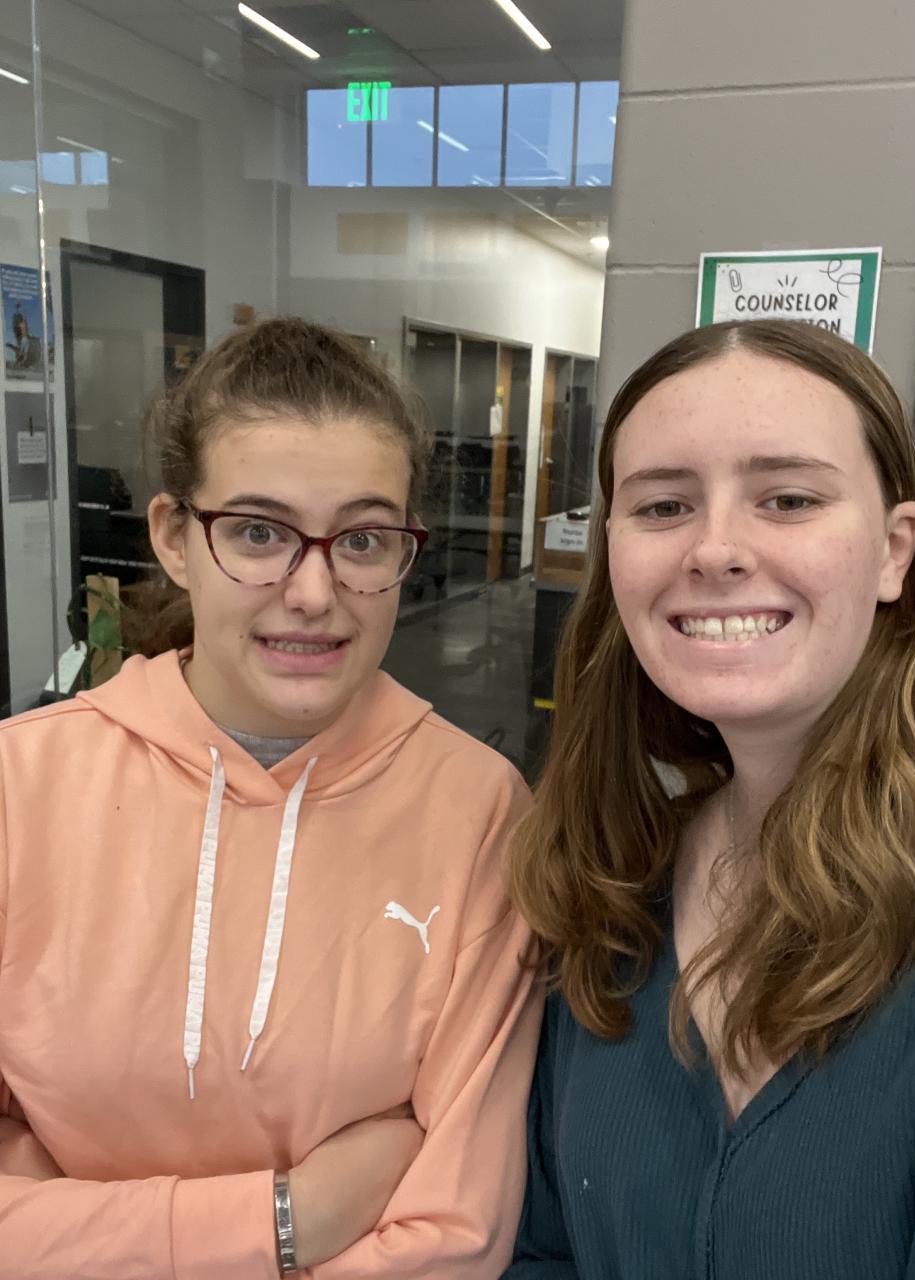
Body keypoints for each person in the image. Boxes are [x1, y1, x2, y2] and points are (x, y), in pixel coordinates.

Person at [0, 317, 542, 1277]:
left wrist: (76, 1231)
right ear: (174, 538)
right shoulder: (21, 788)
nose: (313, 592)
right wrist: (288, 1219)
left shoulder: (478, 813)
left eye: (362, 539)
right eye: (258, 533)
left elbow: (454, 1239)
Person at [505, 319, 915, 1279]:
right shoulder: (612, 880)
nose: (714, 550)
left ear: (895, 551)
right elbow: (543, 1246)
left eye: (788, 499)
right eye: (664, 506)